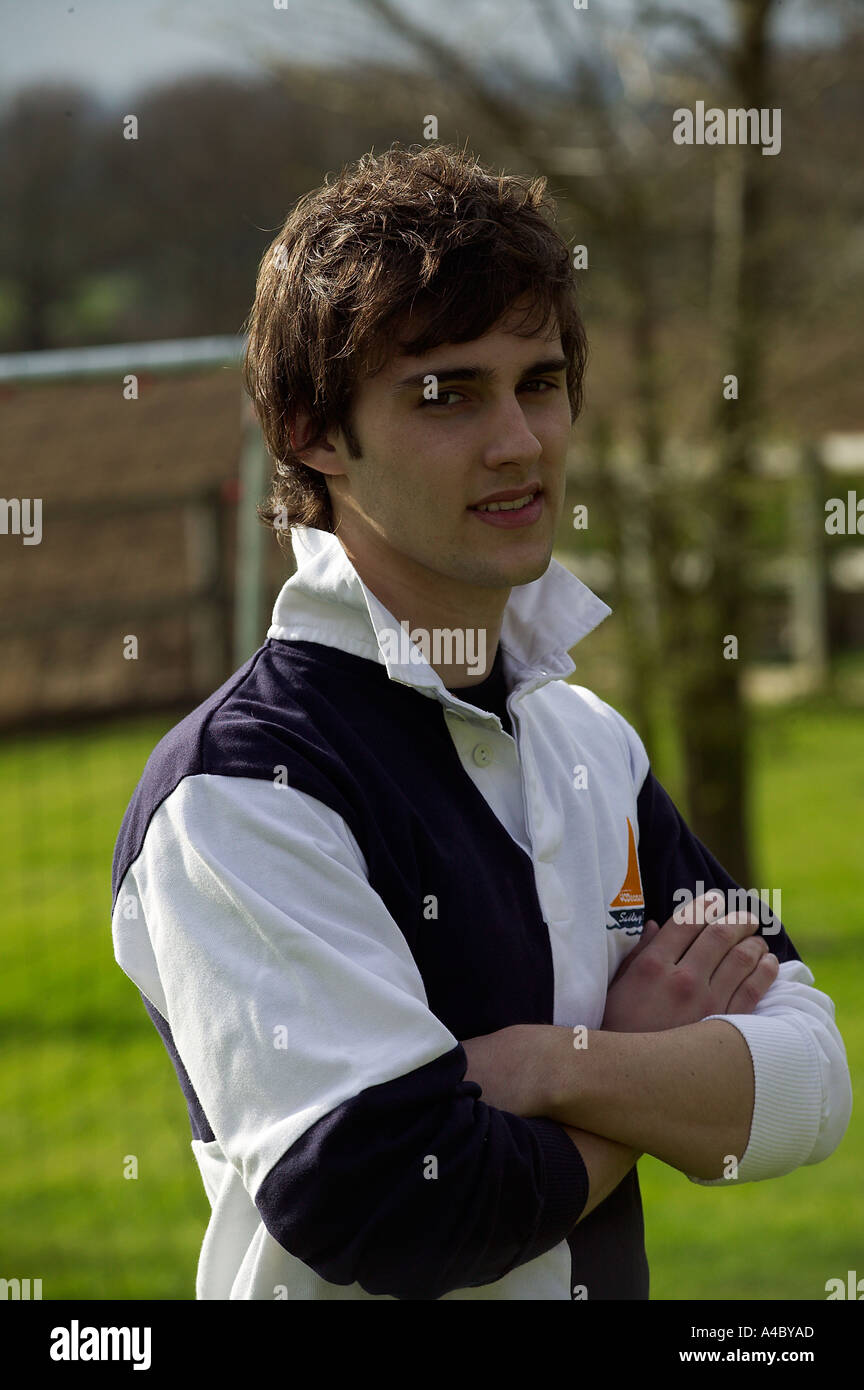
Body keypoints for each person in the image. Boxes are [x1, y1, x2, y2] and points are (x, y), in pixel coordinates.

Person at [110, 141, 851, 1301]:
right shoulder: (239, 790)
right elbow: (394, 1200)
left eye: (539, 381)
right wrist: (644, 1068)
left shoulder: (587, 741)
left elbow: (810, 1084)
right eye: (444, 393)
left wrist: (548, 1064)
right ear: (310, 432)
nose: (518, 441)